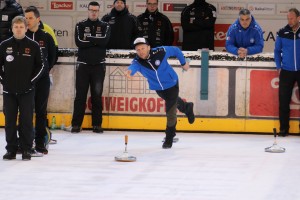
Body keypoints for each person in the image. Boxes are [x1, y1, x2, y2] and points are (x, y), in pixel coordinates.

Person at [126, 37, 195, 149]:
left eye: (143, 48)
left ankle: (169, 138)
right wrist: (129, 72)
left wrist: (183, 63)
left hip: (172, 83)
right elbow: (132, 67)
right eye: (138, 50)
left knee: (170, 112)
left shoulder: (161, 51)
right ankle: (187, 107)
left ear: (149, 47)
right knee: (171, 102)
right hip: (158, 88)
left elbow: (176, 51)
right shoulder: (137, 61)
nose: (141, 51)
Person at [1, 16, 44, 160]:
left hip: (27, 91)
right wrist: (3, 81)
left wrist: (31, 82)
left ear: (26, 28)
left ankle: (26, 149)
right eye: (16, 27)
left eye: (21, 27)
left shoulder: (33, 45)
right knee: (10, 122)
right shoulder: (4, 45)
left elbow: (41, 65)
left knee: (26, 121)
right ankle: (11, 150)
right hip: (9, 91)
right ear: (12, 28)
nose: (18, 29)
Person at [65, 1, 110, 133]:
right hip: (83, 66)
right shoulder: (80, 25)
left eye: (96, 10)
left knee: (97, 95)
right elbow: (79, 43)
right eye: (91, 10)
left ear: (99, 11)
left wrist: (89, 39)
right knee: (80, 96)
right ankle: (76, 125)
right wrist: (96, 40)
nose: (94, 12)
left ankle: (97, 125)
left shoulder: (105, 25)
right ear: (88, 10)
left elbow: (105, 41)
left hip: (99, 66)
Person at [25, 6, 56, 154]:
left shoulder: (46, 36)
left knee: (41, 112)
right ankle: (24, 142)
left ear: (38, 19)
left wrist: (44, 71)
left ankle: (40, 144)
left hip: (42, 81)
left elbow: (52, 57)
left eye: (30, 18)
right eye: (26, 18)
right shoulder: (22, 37)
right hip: (25, 81)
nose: (28, 21)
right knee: (25, 112)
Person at [274, 8, 300, 137]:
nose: (289, 21)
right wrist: (278, 67)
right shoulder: (282, 32)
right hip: (286, 71)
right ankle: (284, 129)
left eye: (292, 18)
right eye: (288, 18)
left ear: (298, 18)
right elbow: (277, 51)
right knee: (283, 102)